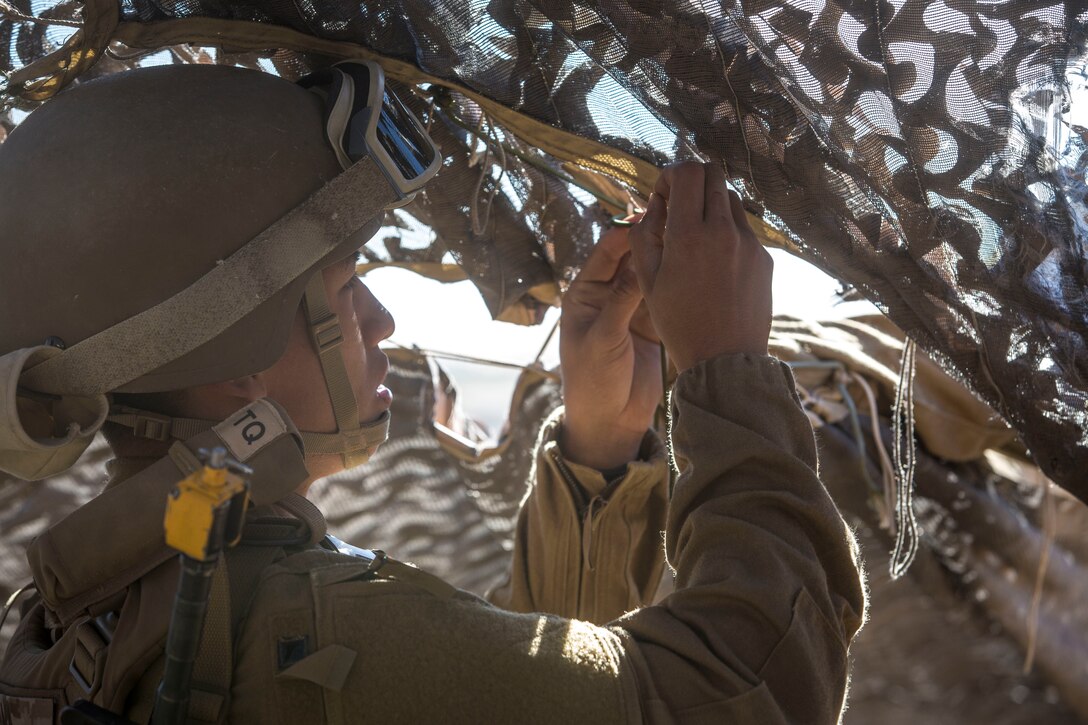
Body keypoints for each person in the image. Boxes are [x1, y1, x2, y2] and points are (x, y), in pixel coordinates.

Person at [0, 61, 864, 724]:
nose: (381, 324)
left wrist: (600, 451)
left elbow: (550, 688)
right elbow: (747, 694)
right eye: (343, 289)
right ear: (240, 356)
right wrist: (725, 368)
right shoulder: (304, 628)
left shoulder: (98, 614)